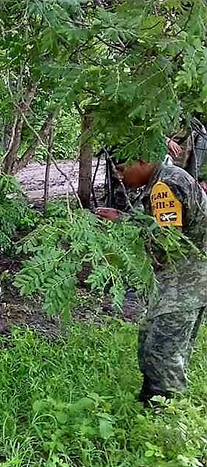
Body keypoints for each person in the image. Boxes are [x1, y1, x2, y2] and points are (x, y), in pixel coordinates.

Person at [95, 154, 207, 405]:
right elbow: (163, 229)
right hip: (180, 281)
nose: (119, 175)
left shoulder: (165, 186)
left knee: (163, 355)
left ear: (143, 161)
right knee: (152, 345)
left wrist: (124, 228)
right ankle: (152, 404)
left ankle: (166, 416)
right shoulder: (164, 180)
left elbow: (165, 243)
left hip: (185, 283)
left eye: (123, 168)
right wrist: (123, 219)